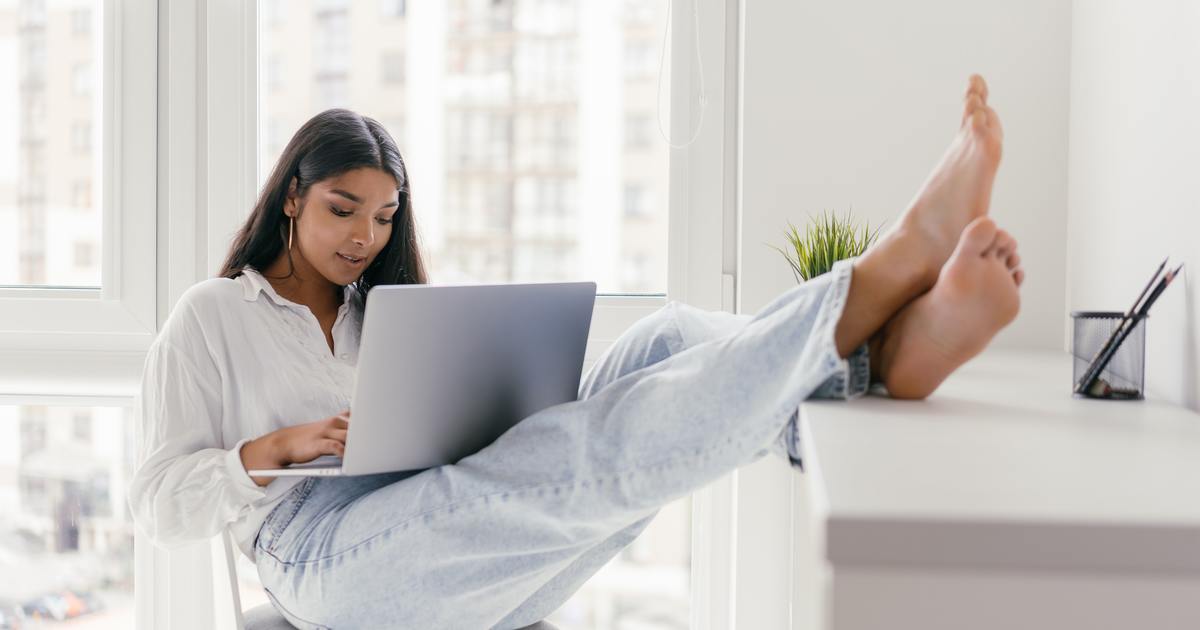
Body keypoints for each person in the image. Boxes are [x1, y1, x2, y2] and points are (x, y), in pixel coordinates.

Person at [128, 75, 1022, 629]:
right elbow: (156, 505)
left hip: (437, 537)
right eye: (342, 210)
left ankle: (870, 361)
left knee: (665, 337)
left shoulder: (388, 316)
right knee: (590, 459)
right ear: (292, 195)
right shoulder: (214, 315)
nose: (365, 237)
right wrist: (270, 451)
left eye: (385, 217)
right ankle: (873, 295)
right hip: (319, 558)